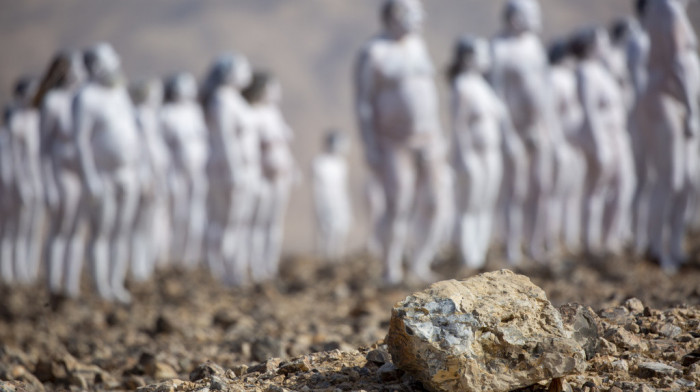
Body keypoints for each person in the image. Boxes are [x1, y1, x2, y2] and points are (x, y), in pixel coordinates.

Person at [354, 0, 447, 284]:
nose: (421, 17)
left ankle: (420, 262)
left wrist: (439, 134)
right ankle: (391, 266)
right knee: (399, 203)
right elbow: (364, 104)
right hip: (394, 141)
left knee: (435, 202)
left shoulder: (418, 45)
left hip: (429, 138)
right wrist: (370, 145)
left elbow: (429, 92)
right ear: (395, 15)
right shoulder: (375, 52)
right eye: (414, 12)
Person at [74, 43, 140, 303]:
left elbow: (133, 131)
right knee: (102, 231)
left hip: (127, 173)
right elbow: (80, 141)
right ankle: (100, 286)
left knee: (121, 231)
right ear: (97, 65)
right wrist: (88, 177)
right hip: (102, 175)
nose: (117, 62)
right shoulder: (86, 98)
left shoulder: (119, 92)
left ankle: (115, 283)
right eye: (111, 59)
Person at [637, 0, 699, 272]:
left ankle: (674, 245)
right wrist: (691, 108)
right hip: (667, 100)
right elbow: (677, 61)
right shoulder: (666, 9)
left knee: (686, 180)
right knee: (669, 178)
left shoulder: (668, 9)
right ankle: (655, 248)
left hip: (676, 101)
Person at [490, 0, 553, 262]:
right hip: (513, 128)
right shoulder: (499, 48)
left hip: (537, 127)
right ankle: (512, 247)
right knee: (516, 190)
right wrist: (508, 135)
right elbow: (498, 94)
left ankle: (535, 244)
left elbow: (545, 87)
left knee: (541, 186)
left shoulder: (535, 46)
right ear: (514, 17)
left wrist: (547, 126)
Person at [447, 36, 509, 268]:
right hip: (473, 154)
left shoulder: (484, 86)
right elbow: (459, 125)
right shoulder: (461, 85)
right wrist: (465, 157)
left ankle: (480, 254)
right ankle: (468, 255)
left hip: (491, 153)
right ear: (468, 58)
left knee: (486, 204)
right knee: (470, 206)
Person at [34, 50, 87, 297]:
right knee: (59, 228)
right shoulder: (53, 102)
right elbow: (43, 148)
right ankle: (53, 284)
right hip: (60, 174)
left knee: (77, 230)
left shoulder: (82, 100)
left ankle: (71, 285)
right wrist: (47, 184)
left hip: (80, 175)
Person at [571, 28, 628, 255]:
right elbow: (590, 110)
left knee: (623, 185)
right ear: (590, 46)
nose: (606, 45)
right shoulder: (585, 71)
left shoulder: (603, 71)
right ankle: (590, 242)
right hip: (600, 137)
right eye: (601, 41)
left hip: (617, 135)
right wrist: (600, 144)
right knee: (596, 188)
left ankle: (610, 237)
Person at [201, 53, 255, 286]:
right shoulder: (221, 100)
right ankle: (220, 270)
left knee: (239, 222)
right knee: (226, 222)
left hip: (244, 170)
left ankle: (235, 269)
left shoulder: (235, 99)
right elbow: (225, 139)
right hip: (227, 171)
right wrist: (234, 170)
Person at [244, 71, 296, 281]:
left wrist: (292, 168)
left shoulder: (274, 113)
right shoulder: (252, 114)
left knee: (274, 223)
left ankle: (270, 264)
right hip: (262, 177)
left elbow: (283, 144)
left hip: (280, 177)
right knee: (259, 222)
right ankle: (255, 265)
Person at [160, 73, 208, 269]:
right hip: (176, 172)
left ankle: (191, 258)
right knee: (177, 216)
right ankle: (172, 258)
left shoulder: (195, 112)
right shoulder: (166, 113)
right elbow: (161, 146)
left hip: (197, 172)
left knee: (195, 216)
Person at [130, 79, 171, 281]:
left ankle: (147, 264)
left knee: (151, 224)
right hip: (145, 176)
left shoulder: (152, 117)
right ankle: (139, 268)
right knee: (140, 226)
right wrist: (146, 176)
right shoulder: (138, 116)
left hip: (156, 176)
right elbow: (141, 150)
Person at [548, 39, 586, 253]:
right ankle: (552, 240)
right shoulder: (554, 79)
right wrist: (558, 145)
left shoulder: (571, 79)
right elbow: (551, 115)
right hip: (561, 145)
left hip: (574, 145)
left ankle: (570, 239)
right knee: (557, 195)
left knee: (573, 195)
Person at [6, 77, 43, 284]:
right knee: (15, 231)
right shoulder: (16, 122)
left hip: (38, 181)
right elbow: (12, 159)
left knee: (34, 229)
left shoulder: (38, 119)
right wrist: (19, 185)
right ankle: (11, 272)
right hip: (20, 184)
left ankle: (30, 272)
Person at [312, 130, 352, 263]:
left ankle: (337, 256)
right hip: (325, 199)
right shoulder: (319, 163)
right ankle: (326, 257)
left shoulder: (341, 164)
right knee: (327, 228)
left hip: (339, 199)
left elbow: (342, 187)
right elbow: (317, 187)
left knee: (342, 227)